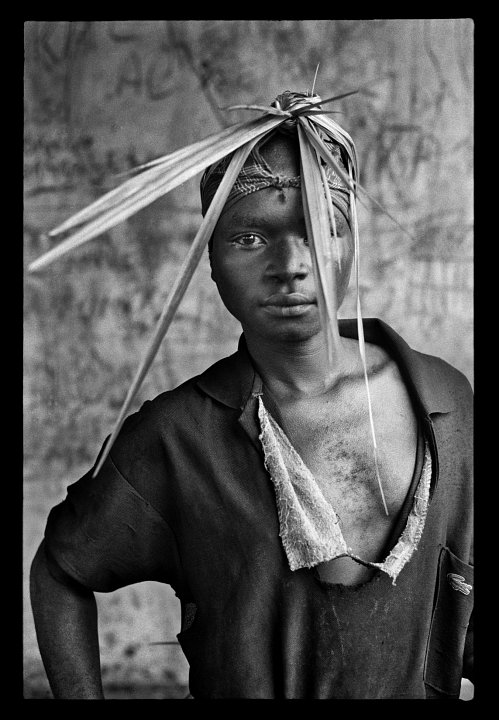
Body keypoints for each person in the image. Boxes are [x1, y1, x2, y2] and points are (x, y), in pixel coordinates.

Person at [29, 91, 473, 700]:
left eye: (320, 229)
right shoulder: (179, 438)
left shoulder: (445, 403)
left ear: (351, 243)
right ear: (209, 259)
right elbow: (60, 569)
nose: (292, 264)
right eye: (249, 239)